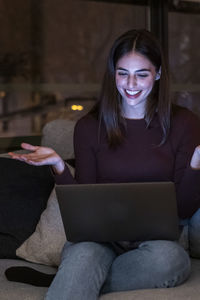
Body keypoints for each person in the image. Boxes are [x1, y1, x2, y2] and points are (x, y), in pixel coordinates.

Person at [9, 29, 200, 300]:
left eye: (142, 74)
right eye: (123, 73)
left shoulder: (185, 123)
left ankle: (73, 279)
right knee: (85, 253)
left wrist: (195, 165)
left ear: (157, 74)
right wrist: (59, 167)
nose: (130, 83)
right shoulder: (89, 127)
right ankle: (78, 274)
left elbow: (184, 209)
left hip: (155, 244)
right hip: (99, 238)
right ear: (113, 73)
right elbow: (85, 201)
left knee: (171, 261)